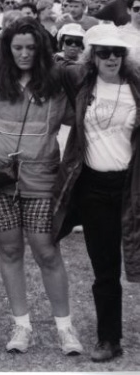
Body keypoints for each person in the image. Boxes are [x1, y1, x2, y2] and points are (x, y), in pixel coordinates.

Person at [0, 17, 84, 356]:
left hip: (41, 178)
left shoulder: (57, 83)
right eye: (17, 47)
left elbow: (79, 113)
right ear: (6, 48)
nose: (24, 54)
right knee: (10, 251)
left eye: (31, 48)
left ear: (42, 50)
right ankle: (22, 325)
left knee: (46, 250)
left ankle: (65, 327)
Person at [52, 24, 140, 362]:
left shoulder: (136, 87)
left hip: (132, 186)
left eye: (117, 52)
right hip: (93, 188)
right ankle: (109, 339)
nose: (112, 58)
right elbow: (46, 67)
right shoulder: (81, 82)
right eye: (103, 52)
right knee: (105, 269)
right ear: (93, 56)